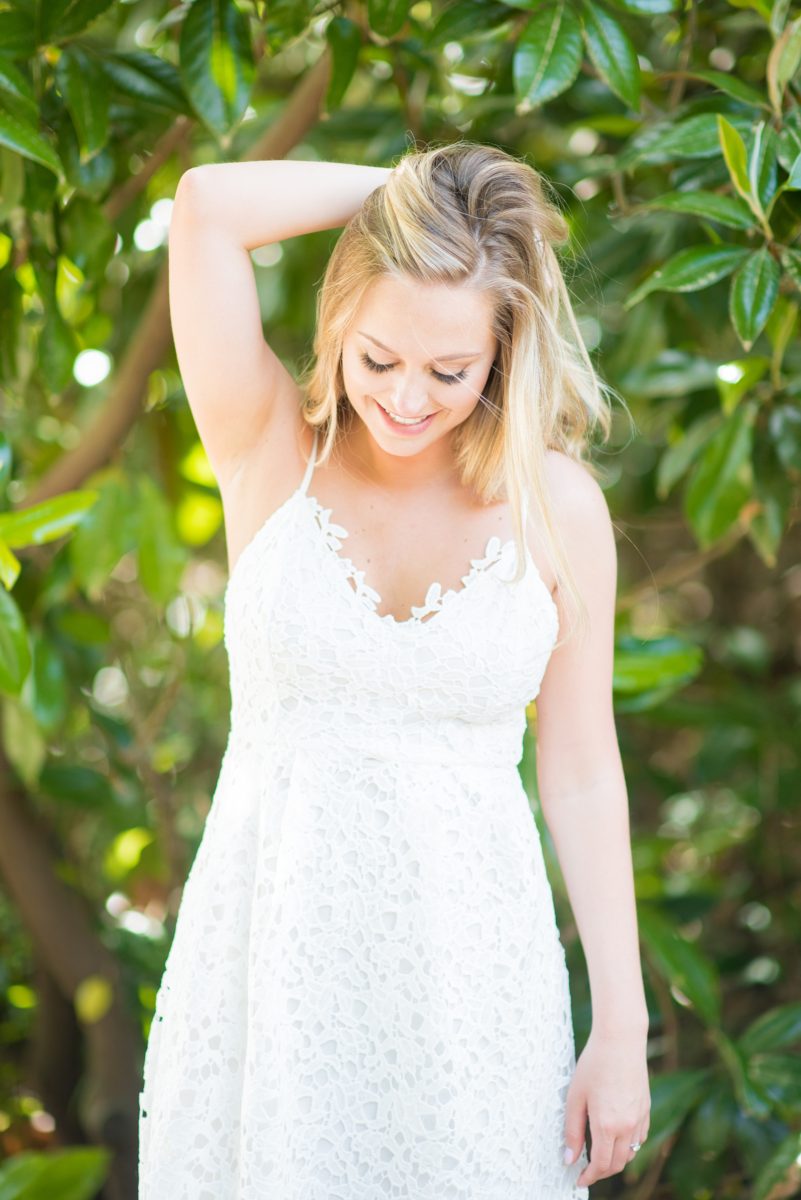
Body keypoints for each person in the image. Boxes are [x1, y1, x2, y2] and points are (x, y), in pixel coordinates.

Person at [138, 140, 650, 1198]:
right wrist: (422, 208)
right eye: (379, 359)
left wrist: (623, 1026)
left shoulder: (559, 508)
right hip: (272, 982)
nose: (409, 398)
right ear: (337, 327)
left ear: (503, 353)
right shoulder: (269, 447)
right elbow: (205, 207)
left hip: (477, 989)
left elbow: (584, 772)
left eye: (450, 371)